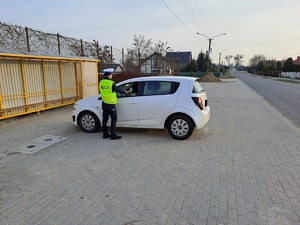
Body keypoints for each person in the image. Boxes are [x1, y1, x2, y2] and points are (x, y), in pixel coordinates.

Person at [99, 68, 130, 140]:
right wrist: (125, 92)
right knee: (114, 119)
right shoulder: (111, 83)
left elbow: (100, 92)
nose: (112, 76)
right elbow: (118, 90)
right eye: (111, 75)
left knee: (105, 119)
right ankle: (113, 135)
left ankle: (105, 134)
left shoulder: (101, 82)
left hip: (104, 103)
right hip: (110, 104)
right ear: (109, 75)